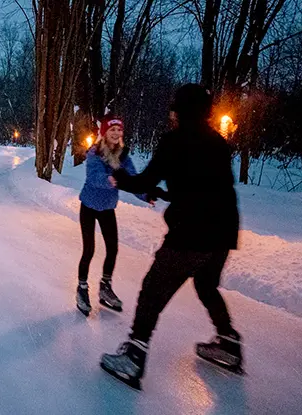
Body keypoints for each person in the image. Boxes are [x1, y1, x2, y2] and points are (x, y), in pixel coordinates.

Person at [99, 84, 242, 390]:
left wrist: (121, 177)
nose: (171, 113)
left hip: (192, 232)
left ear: (182, 110)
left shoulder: (174, 141)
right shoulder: (218, 142)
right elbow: (205, 185)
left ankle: (134, 356)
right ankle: (229, 343)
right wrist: (167, 192)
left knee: (153, 289)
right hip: (224, 229)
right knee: (206, 285)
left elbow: (147, 178)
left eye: (174, 107)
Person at [76, 115, 158, 316]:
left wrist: (145, 194)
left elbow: (132, 180)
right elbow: (94, 178)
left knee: (112, 249)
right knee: (89, 250)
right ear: (104, 132)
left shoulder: (124, 157)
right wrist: (111, 179)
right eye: (112, 129)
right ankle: (82, 288)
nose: (116, 133)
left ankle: (105, 287)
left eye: (119, 130)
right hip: (89, 206)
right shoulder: (94, 153)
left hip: (107, 208)